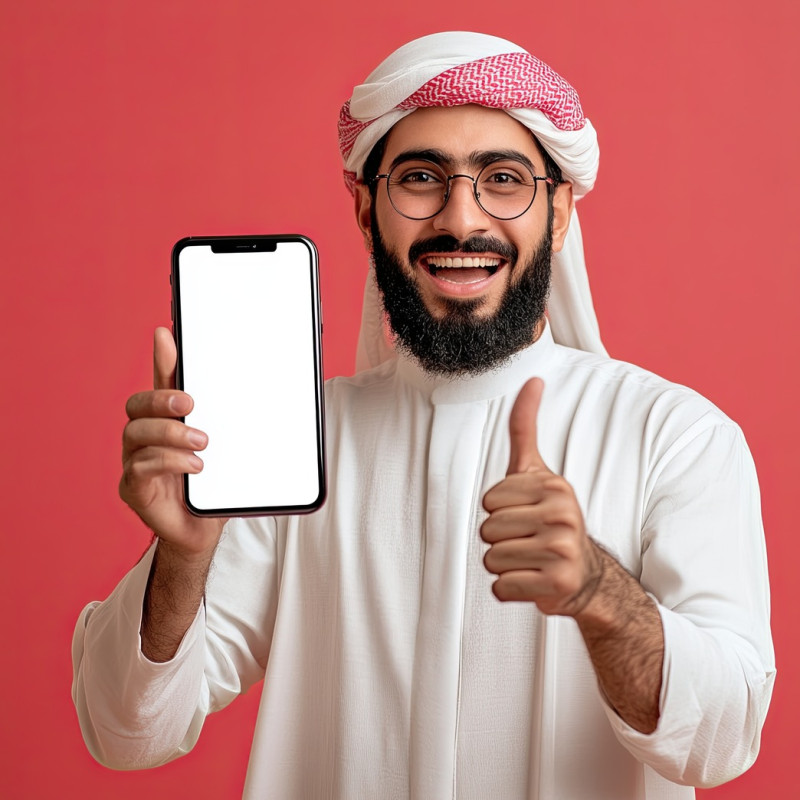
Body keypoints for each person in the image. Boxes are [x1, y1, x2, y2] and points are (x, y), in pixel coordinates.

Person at [72, 32, 775, 799]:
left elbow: (725, 739)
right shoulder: (300, 444)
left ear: (561, 210)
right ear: (367, 210)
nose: (460, 219)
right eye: (420, 178)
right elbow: (125, 731)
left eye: (502, 179)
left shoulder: (674, 438)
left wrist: (598, 592)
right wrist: (182, 556)